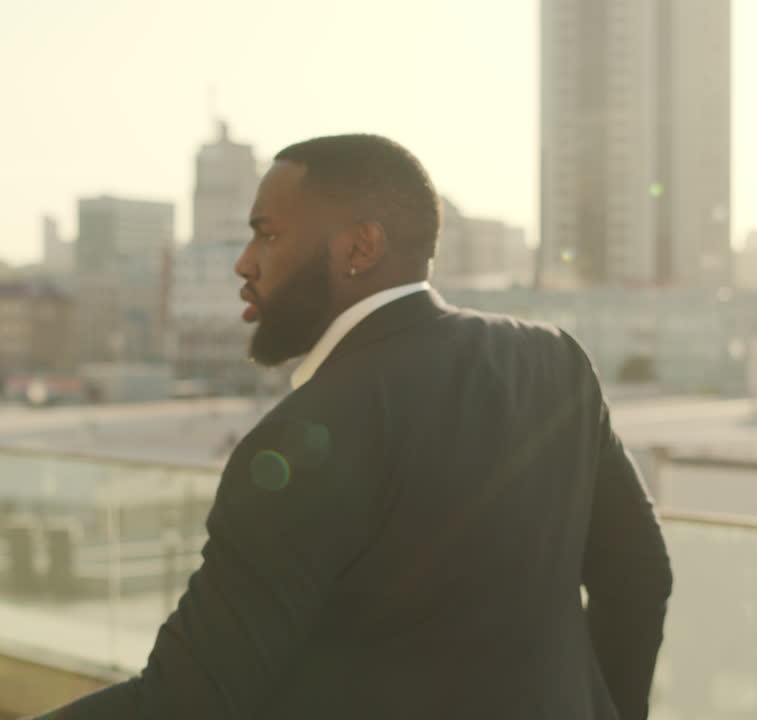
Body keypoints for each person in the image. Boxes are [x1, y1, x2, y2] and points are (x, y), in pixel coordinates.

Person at [33, 134, 672, 719]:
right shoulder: (553, 362)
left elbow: (186, 702)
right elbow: (640, 575)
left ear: (360, 248)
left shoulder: (300, 440)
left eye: (267, 235)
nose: (245, 263)